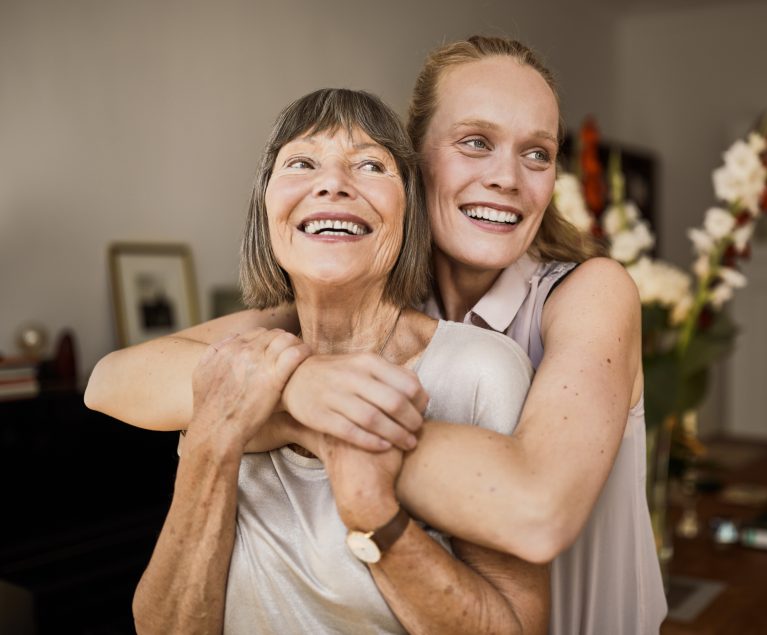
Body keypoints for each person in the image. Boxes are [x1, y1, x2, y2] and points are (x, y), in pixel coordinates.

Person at [86, 36, 668, 634]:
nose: (507, 178)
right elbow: (114, 379)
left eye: (538, 154)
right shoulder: (349, 295)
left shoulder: (589, 292)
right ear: (415, 162)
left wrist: (303, 413)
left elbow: (536, 513)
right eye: (475, 142)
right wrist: (300, 384)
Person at [129, 88, 548, 633]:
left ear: (409, 212)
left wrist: (373, 510)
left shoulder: (480, 371)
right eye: (301, 163)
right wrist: (213, 442)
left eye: (370, 165)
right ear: (266, 209)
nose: (332, 184)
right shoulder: (231, 367)